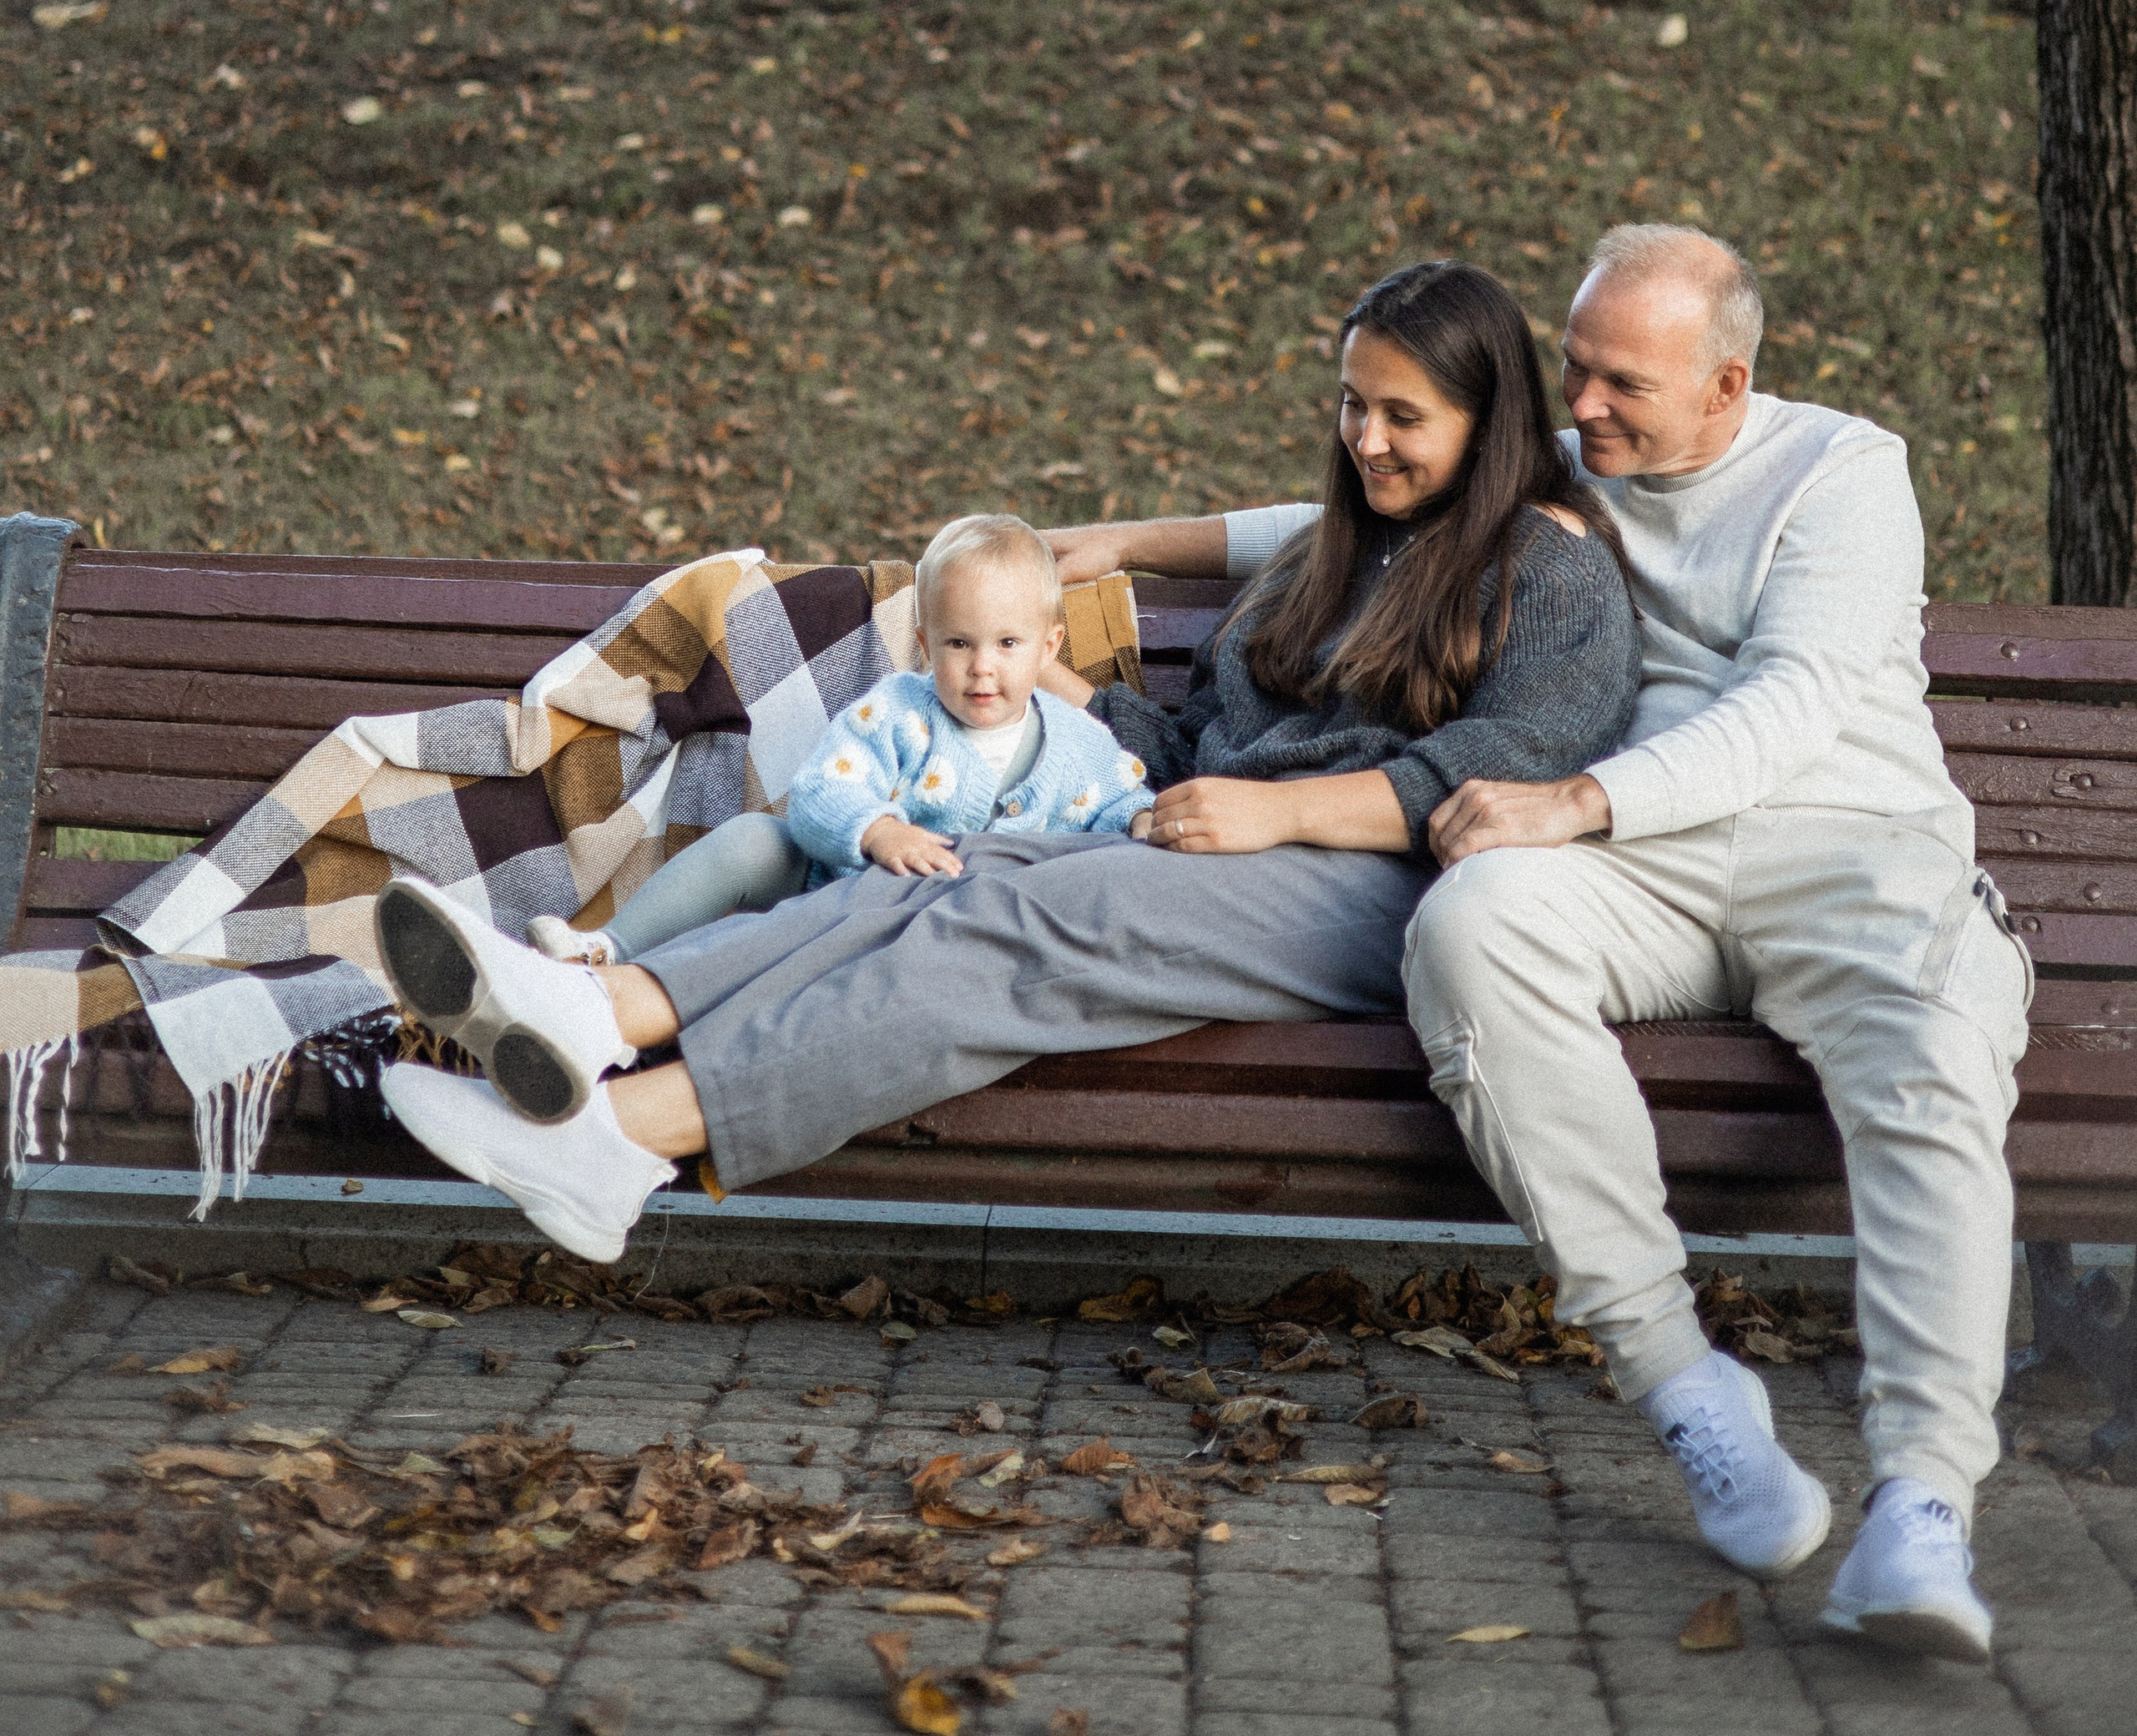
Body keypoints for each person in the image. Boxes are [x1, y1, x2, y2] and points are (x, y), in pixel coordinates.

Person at [376, 255, 1641, 1281]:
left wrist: (1277, 811)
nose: (1366, 438)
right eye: (1352, 405)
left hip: (1382, 890)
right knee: (949, 869)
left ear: (1490, 422)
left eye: (1402, 416)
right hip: (1220, 851)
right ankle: (595, 1013)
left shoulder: (1553, 572)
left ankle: (626, 1136)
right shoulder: (1343, 550)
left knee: (1024, 911)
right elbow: (1201, 752)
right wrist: (1064, 696)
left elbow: (1496, 779)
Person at [1198, 224, 2026, 1669]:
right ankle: (1687, 1387)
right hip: (1641, 868)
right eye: (1571, 370)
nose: (1577, 410)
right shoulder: (1579, 464)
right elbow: (1354, 515)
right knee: (1472, 924)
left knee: (1935, 1057)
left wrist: (1576, 796)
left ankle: (1924, 1501)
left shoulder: (1844, 472)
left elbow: (1796, 701)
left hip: (1845, 850)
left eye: (1620, 383)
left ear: (1728, 384)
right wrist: (1117, 546)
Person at [498, 515, 1151, 972]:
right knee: (755, 838)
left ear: (1050, 647)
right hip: (832, 893)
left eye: (1008, 644)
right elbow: (819, 791)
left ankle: (650, 994)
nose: (983, 666)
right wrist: (874, 830)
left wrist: (1144, 819)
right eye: (960, 643)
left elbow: (1120, 805)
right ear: (925, 646)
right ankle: (607, 950)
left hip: (960, 941)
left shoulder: (1076, 745)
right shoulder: (898, 711)